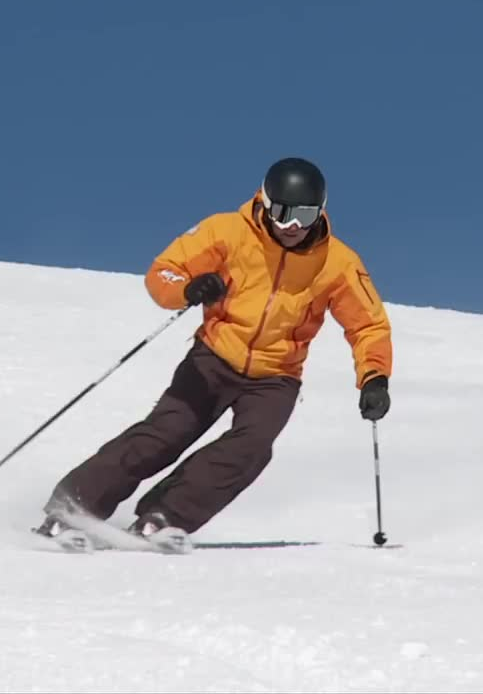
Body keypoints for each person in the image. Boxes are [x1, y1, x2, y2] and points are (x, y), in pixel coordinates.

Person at [35, 156, 393, 542]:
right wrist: (189, 289)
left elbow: (368, 323)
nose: (292, 226)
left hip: (276, 376)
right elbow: (165, 270)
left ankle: (163, 516)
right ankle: (72, 507)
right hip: (214, 356)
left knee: (252, 447)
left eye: (304, 216)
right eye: (283, 212)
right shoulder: (227, 231)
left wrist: (374, 377)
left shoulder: (338, 262)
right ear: (265, 201)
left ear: (320, 213)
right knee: (167, 433)